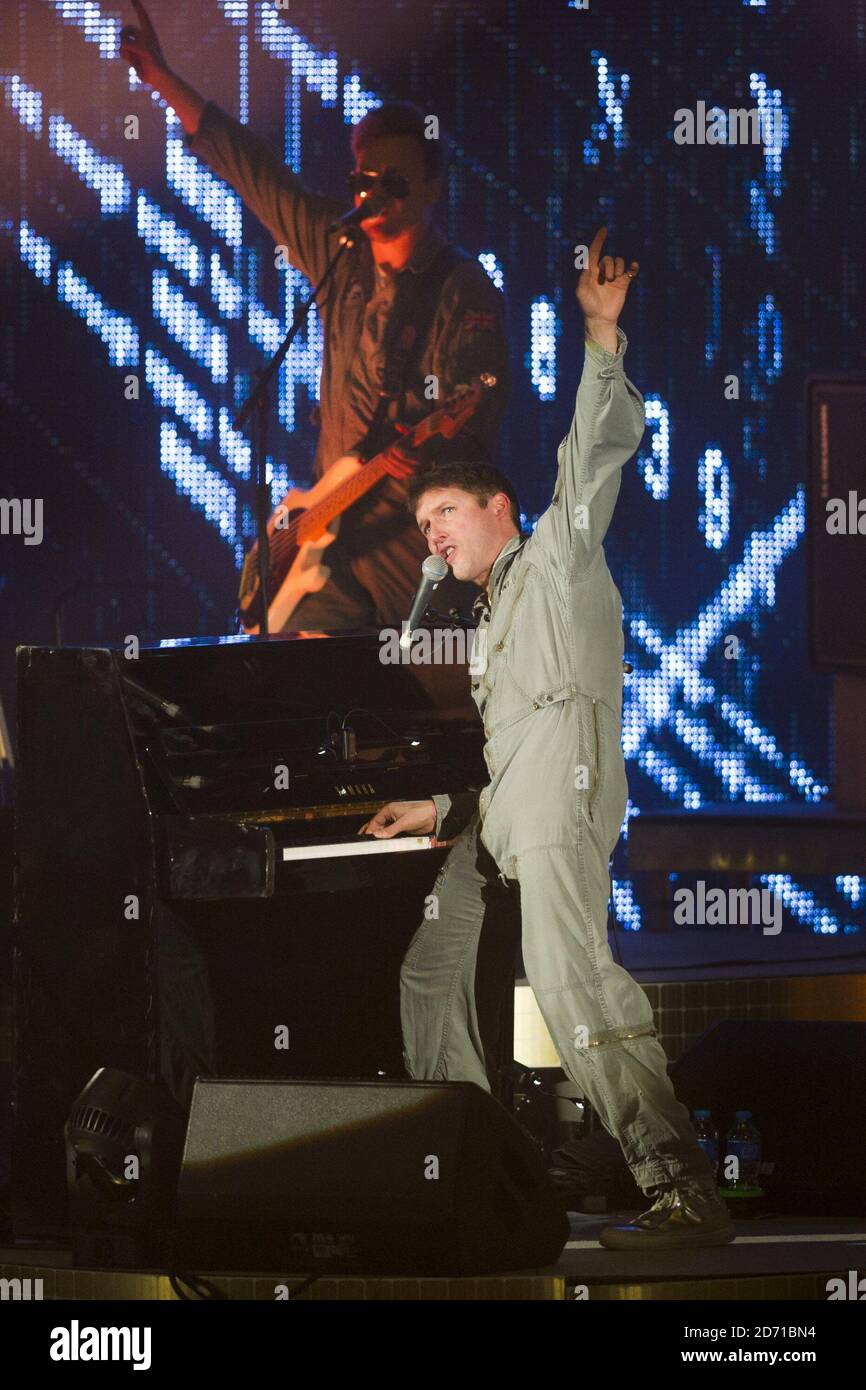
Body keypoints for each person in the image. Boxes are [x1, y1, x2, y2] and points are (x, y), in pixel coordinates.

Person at [359, 229, 736, 1251]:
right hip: (504, 814)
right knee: (431, 970)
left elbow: (589, 458)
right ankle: (470, 1169)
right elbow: (504, 753)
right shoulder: (485, 619)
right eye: (423, 521)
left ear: (497, 508)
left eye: (444, 512)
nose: (431, 535)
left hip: (560, 806)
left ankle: (681, 1189)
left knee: (572, 982)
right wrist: (441, 809)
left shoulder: (557, 555)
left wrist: (599, 333)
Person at [120, 1, 509, 630]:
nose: (377, 192)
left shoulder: (463, 289)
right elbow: (255, 172)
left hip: (411, 543)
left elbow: (479, 403)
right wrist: (162, 79)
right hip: (333, 531)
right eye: (367, 178)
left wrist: (435, 459)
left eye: (397, 180)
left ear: (433, 188)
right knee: (292, 673)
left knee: (395, 696)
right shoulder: (341, 250)